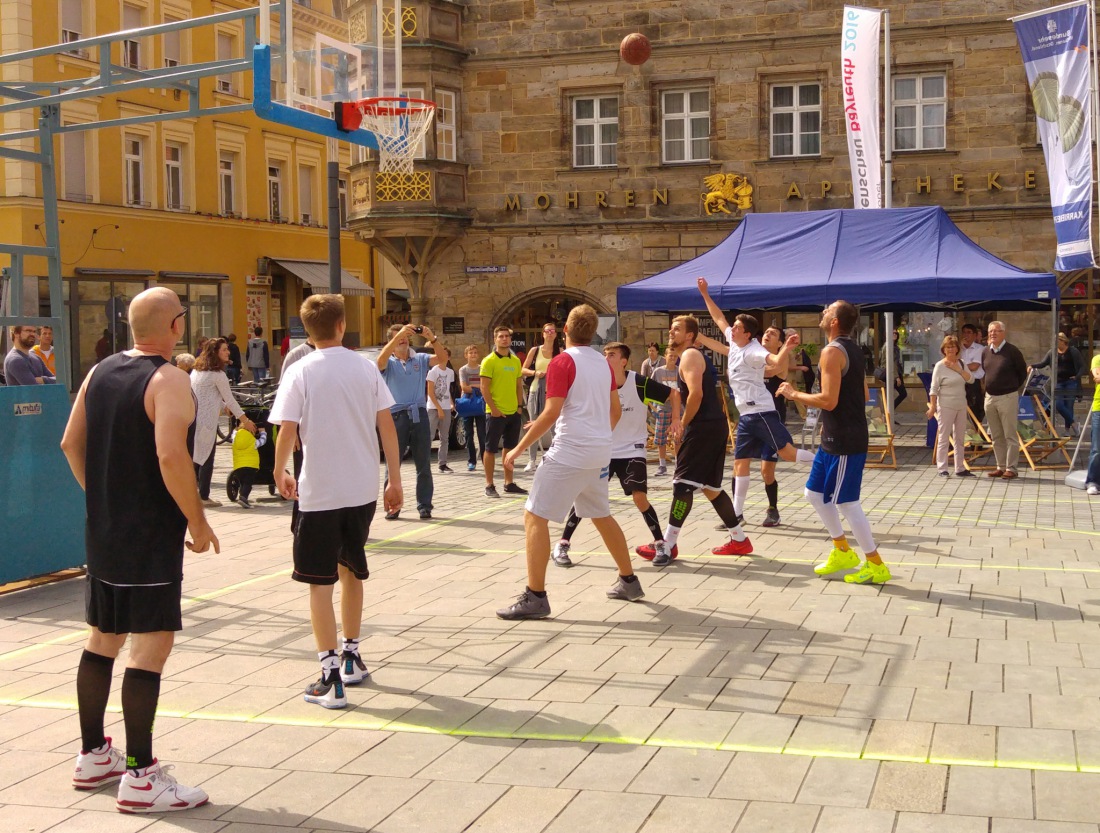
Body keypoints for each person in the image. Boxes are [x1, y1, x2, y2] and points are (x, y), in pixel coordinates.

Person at [60, 286, 218, 813]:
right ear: (175, 325)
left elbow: (70, 442)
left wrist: (100, 497)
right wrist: (196, 521)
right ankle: (142, 776)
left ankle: (91, 755)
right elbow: (172, 456)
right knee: (150, 647)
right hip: (148, 531)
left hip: (103, 529)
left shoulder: (98, 371)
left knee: (102, 637)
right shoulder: (168, 378)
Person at [271, 294, 403, 709]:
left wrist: (279, 472)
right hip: (361, 489)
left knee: (317, 583)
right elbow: (387, 427)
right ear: (342, 325)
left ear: (306, 332)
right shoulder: (365, 368)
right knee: (352, 571)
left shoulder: (300, 371)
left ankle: (330, 679)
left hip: (320, 492)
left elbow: (286, 430)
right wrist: (395, 479)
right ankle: (351, 655)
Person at [495, 306, 644, 620]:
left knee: (534, 516)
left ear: (565, 330)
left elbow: (551, 412)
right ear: (593, 334)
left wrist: (518, 449)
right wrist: (598, 435)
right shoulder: (604, 365)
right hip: (598, 451)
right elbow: (614, 412)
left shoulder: (563, 362)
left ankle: (536, 596)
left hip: (570, 452)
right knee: (601, 514)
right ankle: (629, 581)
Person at [778, 300, 891, 585]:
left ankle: (876, 563)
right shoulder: (852, 349)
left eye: (829, 310)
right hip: (835, 435)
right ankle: (842, 550)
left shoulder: (831, 352)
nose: (824, 310)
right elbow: (863, 393)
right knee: (813, 494)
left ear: (835, 322)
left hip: (845, 439)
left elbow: (829, 399)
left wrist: (794, 394)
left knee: (847, 502)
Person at [692, 278, 814, 531]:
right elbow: (718, 319)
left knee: (786, 454)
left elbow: (774, 361)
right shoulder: (735, 345)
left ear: (747, 334)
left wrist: (787, 348)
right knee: (740, 464)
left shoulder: (753, 350)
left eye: (737, 327)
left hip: (761, 412)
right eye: (734, 326)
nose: (732, 329)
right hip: (746, 416)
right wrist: (705, 292)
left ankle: (824, 461)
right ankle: (736, 515)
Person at [634, 314, 751, 568]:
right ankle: (739, 539)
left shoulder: (689, 355)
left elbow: (695, 394)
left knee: (682, 486)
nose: (670, 332)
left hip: (703, 427)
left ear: (689, 335)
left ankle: (667, 544)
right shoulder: (690, 356)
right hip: (712, 426)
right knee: (710, 488)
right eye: (671, 328)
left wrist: (682, 423)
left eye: (676, 329)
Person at [552, 341, 680, 567]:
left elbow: (674, 394)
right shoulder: (598, 383)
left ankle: (661, 544)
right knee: (584, 498)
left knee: (639, 496)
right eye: (604, 354)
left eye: (611, 355)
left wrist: (677, 420)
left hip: (632, 449)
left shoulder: (638, 382)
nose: (605, 358)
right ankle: (562, 544)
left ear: (623, 361)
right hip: (603, 448)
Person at [377, 322, 448, 520]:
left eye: (405, 337)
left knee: (423, 463)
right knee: (393, 463)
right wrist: (395, 337)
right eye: (398, 337)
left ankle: (424, 506)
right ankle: (393, 506)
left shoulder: (420, 359)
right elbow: (379, 362)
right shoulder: (389, 362)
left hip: (419, 414)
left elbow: (443, 359)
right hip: (396, 416)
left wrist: (432, 338)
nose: (402, 340)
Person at [190, 338, 256, 507]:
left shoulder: (198, 371)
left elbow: (206, 395)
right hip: (207, 423)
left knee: (197, 458)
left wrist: (223, 405)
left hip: (194, 420)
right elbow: (231, 400)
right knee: (206, 460)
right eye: (224, 350)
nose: (228, 352)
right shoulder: (218, 375)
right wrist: (246, 421)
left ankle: (191, 494)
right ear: (215, 353)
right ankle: (203, 497)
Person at [481, 326, 528, 498]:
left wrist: (519, 407)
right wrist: (493, 409)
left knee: (510, 448)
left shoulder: (515, 361)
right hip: (495, 413)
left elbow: (518, 386)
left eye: (507, 336)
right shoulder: (489, 361)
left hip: (512, 412)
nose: (504, 339)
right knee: (490, 448)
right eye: (501, 336)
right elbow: (484, 388)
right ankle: (489, 484)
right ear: (495, 339)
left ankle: (509, 483)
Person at [982, 320, 1028, 479]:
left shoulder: (1012, 351)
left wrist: (1011, 387)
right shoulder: (986, 351)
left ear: (1004, 333)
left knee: (1009, 435)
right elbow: (985, 371)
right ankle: (1000, 466)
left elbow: (1022, 373)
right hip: (990, 398)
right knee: (996, 435)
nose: (993, 334)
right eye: (990, 332)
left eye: (996, 331)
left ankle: (1011, 468)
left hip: (1007, 397)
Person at [926, 335, 974, 477]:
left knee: (960, 438)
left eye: (953, 346)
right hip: (946, 405)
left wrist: (957, 369)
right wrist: (932, 407)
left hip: (961, 404)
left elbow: (971, 379)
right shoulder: (940, 366)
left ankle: (959, 467)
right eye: (948, 347)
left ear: (957, 349)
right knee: (944, 436)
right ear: (944, 350)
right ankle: (942, 468)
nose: (951, 349)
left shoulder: (962, 363)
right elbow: (934, 389)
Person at [521, 322, 562, 471]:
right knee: (534, 424)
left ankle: (554, 458)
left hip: (554, 393)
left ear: (556, 334)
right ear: (543, 334)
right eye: (547, 331)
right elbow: (523, 369)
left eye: (553, 331)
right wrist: (534, 373)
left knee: (555, 426)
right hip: (536, 390)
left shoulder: (561, 351)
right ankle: (532, 460)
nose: (550, 333)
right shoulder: (535, 350)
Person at [1031, 332, 1086, 435]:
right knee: (1059, 405)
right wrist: (1032, 365)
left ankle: (1067, 430)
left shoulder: (1073, 351)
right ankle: (1074, 424)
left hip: (1071, 382)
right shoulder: (1052, 352)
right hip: (1059, 383)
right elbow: (1043, 363)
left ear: (1063, 341)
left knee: (1069, 406)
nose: (1055, 343)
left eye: (1057, 341)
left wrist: (1077, 376)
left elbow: (1083, 366)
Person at [426, 347, 456, 473]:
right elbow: (430, 392)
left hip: (445, 407)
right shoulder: (433, 371)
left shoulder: (450, 372)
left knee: (445, 437)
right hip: (433, 407)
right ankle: (425, 463)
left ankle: (442, 464)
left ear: (448, 357)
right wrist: (439, 408)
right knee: (430, 436)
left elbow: (447, 389)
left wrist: (451, 403)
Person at [459, 344, 487, 472]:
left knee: (482, 434)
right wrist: (478, 387)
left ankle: (485, 459)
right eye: (471, 353)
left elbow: (486, 385)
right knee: (469, 434)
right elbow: (464, 387)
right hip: (468, 402)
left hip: (481, 401)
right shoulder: (463, 370)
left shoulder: (482, 368)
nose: (473, 355)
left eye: (475, 353)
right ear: (466, 355)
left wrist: (474, 387)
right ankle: (471, 461)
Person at [652, 347, 680, 476]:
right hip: (662, 408)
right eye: (670, 356)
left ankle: (678, 464)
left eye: (675, 356)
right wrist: (654, 406)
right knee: (660, 437)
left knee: (678, 437)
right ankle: (662, 465)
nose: (673, 358)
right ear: (665, 356)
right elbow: (651, 389)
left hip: (677, 409)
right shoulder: (658, 372)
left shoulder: (680, 372)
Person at [230, 422, 268, 509]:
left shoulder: (235, 438)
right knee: (248, 483)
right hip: (250, 466)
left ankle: (242, 493)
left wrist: (235, 430)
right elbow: (262, 441)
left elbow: (233, 433)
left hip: (238, 466)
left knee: (243, 482)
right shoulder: (252, 440)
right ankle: (243, 498)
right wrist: (263, 432)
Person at [960, 324, 985, 422]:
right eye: (964, 332)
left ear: (975, 335)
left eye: (969, 332)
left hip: (973, 383)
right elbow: (952, 361)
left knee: (975, 411)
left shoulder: (979, 349)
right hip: (960, 382)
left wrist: (959, 367)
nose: (966, 335)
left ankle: (977, 433)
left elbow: (974, 366)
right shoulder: (958, 349)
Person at [878, 330, 907, 411]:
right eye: (892, 333)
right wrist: (896, 377)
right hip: (891, 374)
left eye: (896, 333)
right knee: (902, 393)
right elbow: (891, 362)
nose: (894, 335)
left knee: (893, 395)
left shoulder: (893, 346)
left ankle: (889, 414)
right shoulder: (888, 346)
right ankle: (889, 413)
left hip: (894, 373)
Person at [1085, 352, 1100, 496]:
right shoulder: (1097, 359)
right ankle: (1093, 481)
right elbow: (1097, 378)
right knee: (1097, 448)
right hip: (1099, 408)